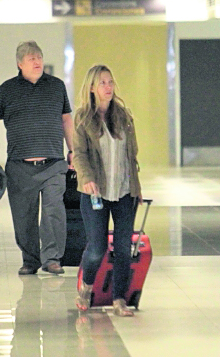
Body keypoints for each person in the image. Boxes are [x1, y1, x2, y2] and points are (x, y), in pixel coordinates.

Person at [0, 41, 74, 275]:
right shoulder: (7, 89)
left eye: (39, 57)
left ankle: (52, 258)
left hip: (53, 163)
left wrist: (73, 150)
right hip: (20, 166)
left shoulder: (56, 86)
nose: (37, 61)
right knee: (24, 216)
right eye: (31, 58)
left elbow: (66, 119)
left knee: (53, 213)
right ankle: (30, 260)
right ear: (20, 64)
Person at [72, 65, 142, 317]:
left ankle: (119, 300)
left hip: (124, 191)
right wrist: (87, 178)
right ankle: (86, 288)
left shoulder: (123, 116)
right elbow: (78, 154)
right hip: (95, 194)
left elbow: (131, 155)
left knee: (123, 248)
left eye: (110, 82)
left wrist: (136, 188)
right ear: (92, 87)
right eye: (102, 82)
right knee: (97, 248)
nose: (108, 87)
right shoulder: (82, 119)